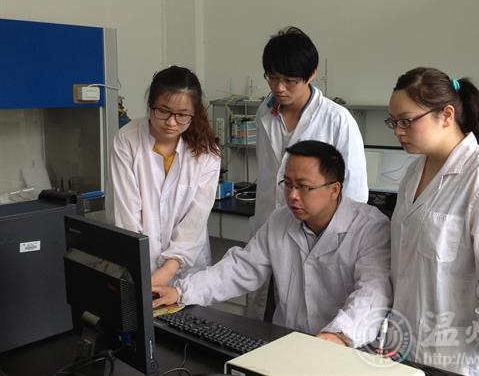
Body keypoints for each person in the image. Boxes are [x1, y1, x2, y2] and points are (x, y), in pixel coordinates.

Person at [153, 140, 391, 347]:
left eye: (304, 187)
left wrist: (338, 335)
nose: (293, 195)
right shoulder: (281, 220)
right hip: (288, 343)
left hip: (344, 348)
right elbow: (240, 268)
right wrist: (181, 292)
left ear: (334, 190)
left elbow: (373, 291)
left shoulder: (369, 227)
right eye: (288, 184)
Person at [386, 67, 479, 376]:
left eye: (407, 121)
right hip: (405, 348)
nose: (398, 131)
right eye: (394, 122)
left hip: (459, 358)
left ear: (447, 115)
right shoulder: (413, 174)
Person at [249, 26, 369, 319]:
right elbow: (268, 177)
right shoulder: (264, 114)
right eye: (272, 78)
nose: (279, 88)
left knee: (311, 321)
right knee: (266, 321)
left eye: (290, 80)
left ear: (312, 74)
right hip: (270, 231)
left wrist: (333, 244)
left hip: (319, 243)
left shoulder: (338, 120)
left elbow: (354, 192)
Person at [106, 65, 221, 287]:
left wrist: (167, 271)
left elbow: (194, 221)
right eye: (163, 111)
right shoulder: (127, 140)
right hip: (135, 265)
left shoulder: (207, 154)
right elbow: (127, 216)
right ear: (150, 105)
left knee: (187, 309)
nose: (171, 122)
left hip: (185, 271)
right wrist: (144, 278)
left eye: (182, 115)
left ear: (194, 113)